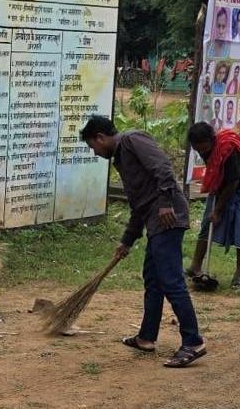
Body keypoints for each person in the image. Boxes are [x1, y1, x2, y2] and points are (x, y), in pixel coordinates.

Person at [80, 116, 207, 368]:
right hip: (156, 222)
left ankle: (193, 342)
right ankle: (146, 337)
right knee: (153, 280)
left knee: (171, 281)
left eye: (93, 146)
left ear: (100, 137)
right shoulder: (121, 159)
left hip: (168, 218)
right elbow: (139, 206)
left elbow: (163, 168)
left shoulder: (132, 140)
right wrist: (127, 240)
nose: (95, 152)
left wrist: (166, 203)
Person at [186, 123, 240, 290]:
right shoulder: (205, 150)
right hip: (223, 183)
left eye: (201, 147)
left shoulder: (227, 149)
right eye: (196, 148)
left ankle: (239, 275)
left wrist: (218, 210)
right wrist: (214, 210)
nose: (200, 151)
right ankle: (195, 267)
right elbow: (217, 172)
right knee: (207, 222)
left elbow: (233, 182)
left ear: (211, 140)